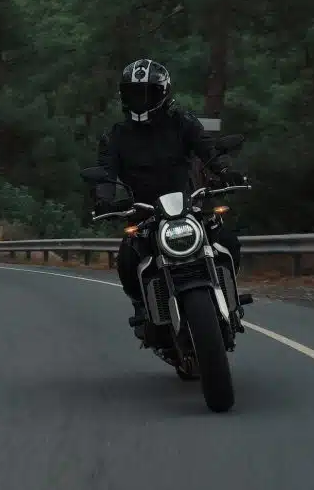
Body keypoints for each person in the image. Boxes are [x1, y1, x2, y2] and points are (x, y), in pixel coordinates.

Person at [94, 58, 246, 339]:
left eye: (147, 93)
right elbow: (105, 173)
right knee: (128, 259)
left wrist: (225, 171)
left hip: (188, 205)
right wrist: (104, 199)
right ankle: (143, 308)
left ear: (163, 93)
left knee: (225, 241)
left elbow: (207, 148)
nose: (140, 100)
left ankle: (230, 297)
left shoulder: (182, 122)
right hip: (143, 212)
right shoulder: (115, 136)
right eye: (133, 93)